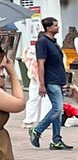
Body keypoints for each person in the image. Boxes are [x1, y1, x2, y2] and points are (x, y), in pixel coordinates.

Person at [30, 16, 71, 150]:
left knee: (58, 112)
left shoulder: (53, 42)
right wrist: (41, 84)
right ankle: (37, 130)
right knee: (57, 108)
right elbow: (41, 64)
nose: (58, 27)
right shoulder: (42, 42)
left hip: (59, 79)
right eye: (55, 25)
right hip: (51, 80)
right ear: (48, 28)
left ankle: (56, 140)